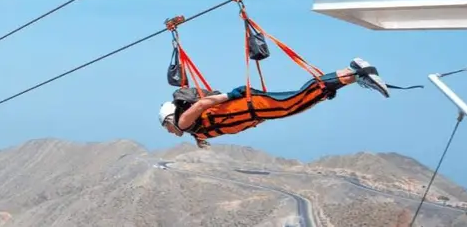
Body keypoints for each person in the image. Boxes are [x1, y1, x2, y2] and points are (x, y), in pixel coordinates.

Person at [158, 57, 390, 145]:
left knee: (296, 101)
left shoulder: (185, 123)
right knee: (299, 104)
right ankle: (350, 77)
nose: (170, 131)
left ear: (171, 119)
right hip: (254, 110)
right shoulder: (195, 131)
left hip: (251, 106)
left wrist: (230, 95)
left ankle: (354, 71)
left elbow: (201, 104)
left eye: (166, 126)